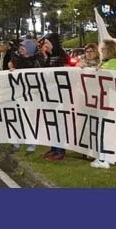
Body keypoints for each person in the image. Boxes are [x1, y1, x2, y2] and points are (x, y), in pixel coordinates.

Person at [89, 39, 116, 169]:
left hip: (107, 100)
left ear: (110, 50)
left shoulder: (114, 63)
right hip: (104, 100)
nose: (101, 51)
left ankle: (102, 159)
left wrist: (96, 71)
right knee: (104, 129)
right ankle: (107, 156)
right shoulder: (109, 63)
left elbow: (109, 80)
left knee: (102, 129)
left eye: (104, 49)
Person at [37, 32, 67, 161]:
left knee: (59, 123)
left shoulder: (62, 57)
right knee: (52, 123)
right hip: (49, 95)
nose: (46, 46)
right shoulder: (49, 57)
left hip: (59, 96)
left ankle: (60, 151)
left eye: (47, 43)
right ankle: (54, 148)